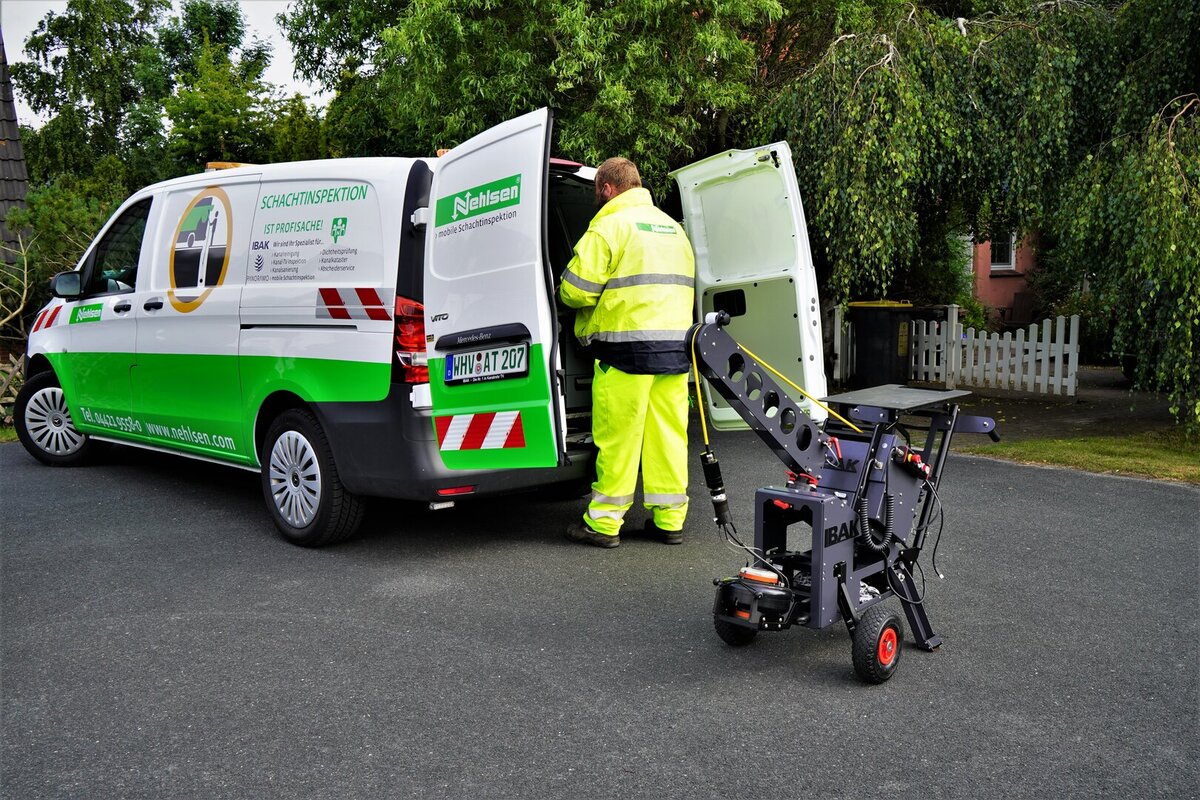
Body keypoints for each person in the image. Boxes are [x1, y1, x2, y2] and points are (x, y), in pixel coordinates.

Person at [559, 157, 696, 548]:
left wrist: (562, 291)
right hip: (674, 352)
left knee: (618, 438)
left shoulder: (608, 226)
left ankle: (603, 524)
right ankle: (670, 520)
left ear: (606, 188)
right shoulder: (673, 229)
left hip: (626, 353)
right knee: (668, 437)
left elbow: (576, 289)